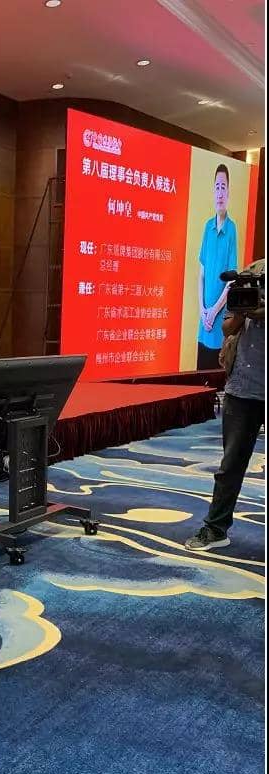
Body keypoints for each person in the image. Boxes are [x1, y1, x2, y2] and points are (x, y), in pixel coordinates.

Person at [185, 266, 264, 551]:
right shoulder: (252, 274)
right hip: (243, 387)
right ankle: (215, 529)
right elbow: (227, 328)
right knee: (230, 465)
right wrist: (244, 312)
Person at [196, 164, 238, 371]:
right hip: (204, 320)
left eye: (224, 187)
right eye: (217, 187)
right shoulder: (207, 227)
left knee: (216, 376)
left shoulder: (232, 229)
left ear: (228, 193)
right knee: (199, 375)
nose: (220, 192)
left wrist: (213, 312)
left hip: (219, 320)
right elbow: (201, 274)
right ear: (213, 191)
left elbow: (232, 280)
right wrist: (203, 310)